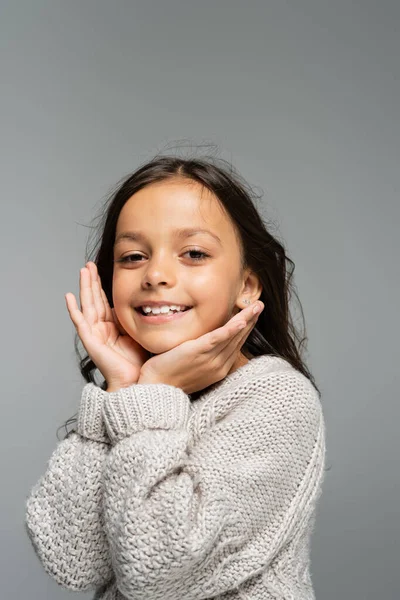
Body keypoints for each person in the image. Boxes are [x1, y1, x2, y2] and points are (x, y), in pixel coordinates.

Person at [24, 153, 326, 600]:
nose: (156, 275)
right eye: (132, 256)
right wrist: (121, 389)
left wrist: (151, 395)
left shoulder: (279, 399)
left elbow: (156, 573)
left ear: (247, 285)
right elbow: (71, 560)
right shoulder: (137, 393)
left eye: (194, 253)